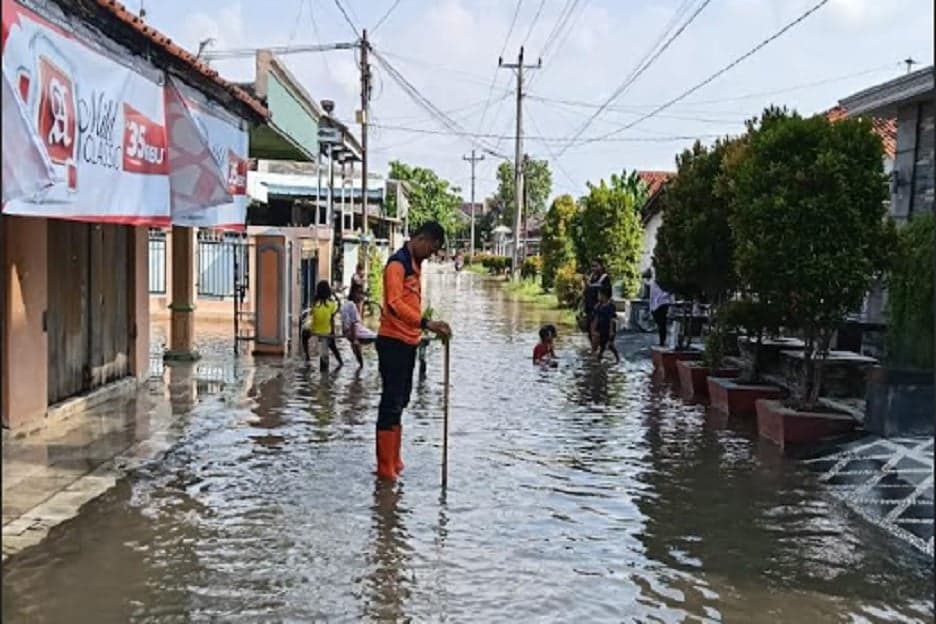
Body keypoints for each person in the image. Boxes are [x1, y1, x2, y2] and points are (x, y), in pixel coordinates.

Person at [375, 221, 451, 481]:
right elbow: (394, 304)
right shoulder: (397, 265)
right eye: (431, 248)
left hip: (408, 341)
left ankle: (394, 460)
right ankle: (385, 467)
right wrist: (426, 323)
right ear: (421, 239)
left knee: (402, 401)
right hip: (392, 341)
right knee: (391, 403)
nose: (431, 254)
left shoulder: (415, 264)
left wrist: (426, 327)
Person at [302, 280, 343, 368]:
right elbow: (333, 316)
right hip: (327, 331)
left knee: (304, 335)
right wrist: (335, 295)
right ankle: (340, 362)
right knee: (333, 345)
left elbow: (313, 315)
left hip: (315, 330)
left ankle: (307, 357)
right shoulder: (331, 304)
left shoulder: (314, 303)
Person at [341, 283, 376, 368]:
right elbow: (353, 323)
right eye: (359, 293)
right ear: (354, 293)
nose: (361, 296)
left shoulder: (346, 304)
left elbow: (346, 322)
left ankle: (360, 367)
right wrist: (355, 339)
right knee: (377, 337)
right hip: (353, 331)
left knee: (358, 350)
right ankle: (361, 366)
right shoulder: (352, 305)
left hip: (348, 331)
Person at [583, 259, 612, 344]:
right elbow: (587, 292)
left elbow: (607, 293)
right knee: (589, 331)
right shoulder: (591, 277)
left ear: (601, 266)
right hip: (589, 309)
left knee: (598, 332)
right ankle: (594, 348)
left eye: (596, 266)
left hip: (600, 310)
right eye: (592, 266)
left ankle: (599, 348)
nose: (593, 268)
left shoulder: (605, 278)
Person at [592, 290, 621, 363]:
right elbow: (596, 318)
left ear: (604, 296)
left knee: (610, 344)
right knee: (602, 344)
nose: (598, 296)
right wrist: (594, 329)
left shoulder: (611, 306)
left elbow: (611, 319)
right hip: (601, 327)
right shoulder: (598, 306)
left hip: (609, 328)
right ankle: (599, 357)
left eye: (599, 295)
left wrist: (611, 331)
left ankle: (617, 358)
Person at [649, 272, 674, 347]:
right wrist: (651, 307)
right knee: (661, 324)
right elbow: (652, 296)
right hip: (657, 306)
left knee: (662, 324)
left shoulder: (662, 284)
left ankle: (662, 341)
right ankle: (662, 341)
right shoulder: (653, 284)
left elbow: (668, 294)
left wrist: (670, 301)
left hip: (663, 304)